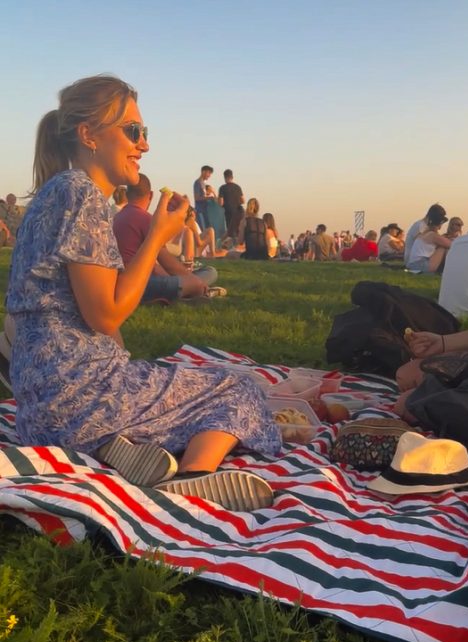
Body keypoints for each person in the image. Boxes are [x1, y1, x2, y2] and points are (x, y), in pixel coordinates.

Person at [5, 74, 280, 511]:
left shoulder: (51, 194)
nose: (144, 145)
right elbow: (106, 315)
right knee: (236, 386)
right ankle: (195, 476)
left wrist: (129, 370)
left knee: (168, 379)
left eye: (144, 133)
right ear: (88, 134)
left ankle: (117, 447)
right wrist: (157, 235)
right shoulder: (82, 195)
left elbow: (90, 315)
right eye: (133, 131)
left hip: (40, 412)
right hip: (80, 401)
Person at [113, 174, 219, 302]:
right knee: (210, 272)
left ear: (128, 195)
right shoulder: (146, 219)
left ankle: (181, 292)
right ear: (151, 195)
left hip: (120, 280)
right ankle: (186, 293)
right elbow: (168, 264)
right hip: (141, 282)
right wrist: (192, 283)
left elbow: (157, 266)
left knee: (195, 277)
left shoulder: (117, 217)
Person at [218, 169, 245, 240]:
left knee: (230, 232)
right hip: (239, 212)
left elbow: (221, 203)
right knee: (239, 231)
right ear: (232, 177)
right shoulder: (238, 187)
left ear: (225, 177)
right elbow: (243, 201)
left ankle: (231, 248)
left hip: (229, 212)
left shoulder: (222, 188)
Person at [193, 165, 214, 230]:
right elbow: (197, 198)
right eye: (209, 173)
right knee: (203, 230)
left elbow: (203, 196)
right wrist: (209, 198)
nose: (209, 175)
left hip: (205, 211)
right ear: (203, 172)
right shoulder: (197, 182)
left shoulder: (203, 183)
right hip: (200, 211)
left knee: (207, 229)